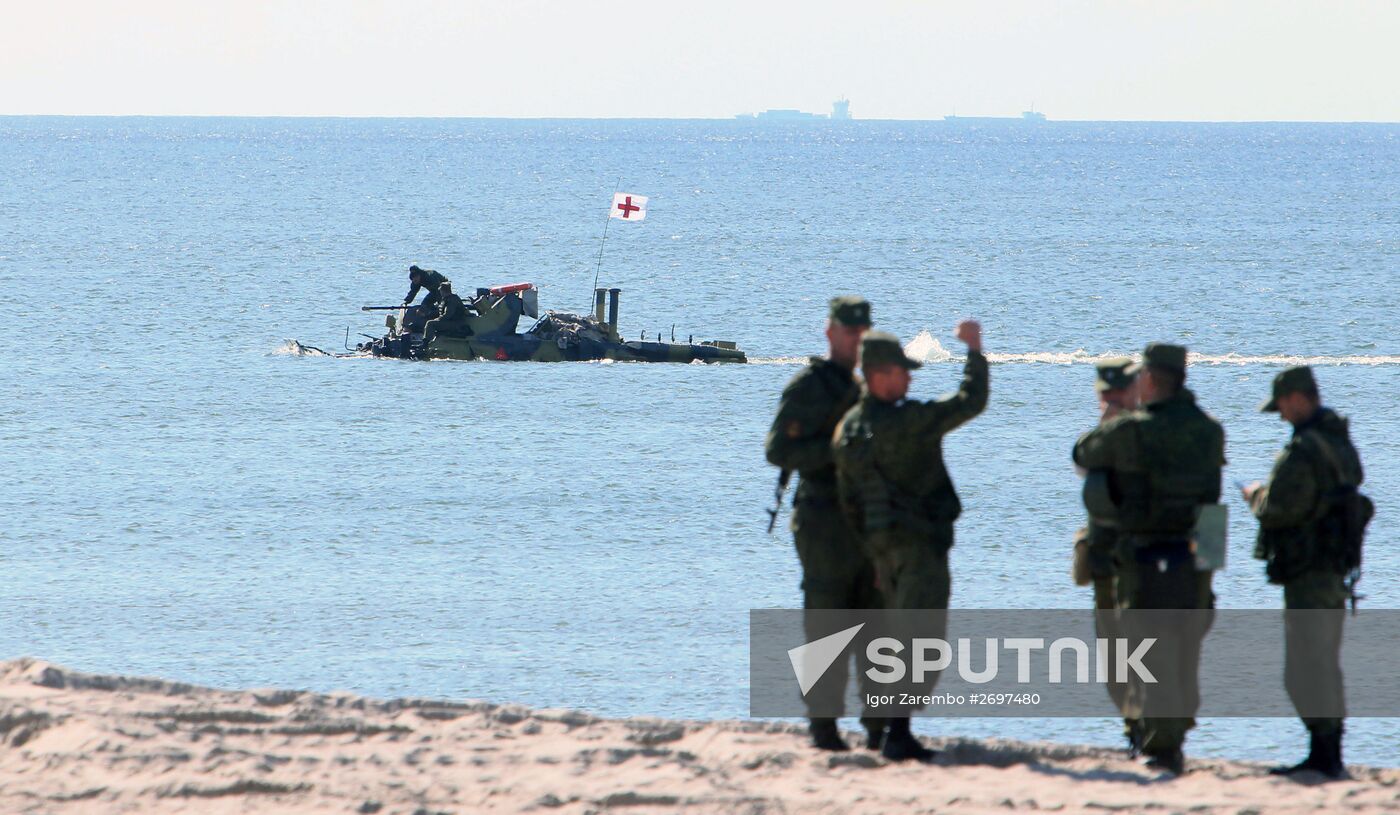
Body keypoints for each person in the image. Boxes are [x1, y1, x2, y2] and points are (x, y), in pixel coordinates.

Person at [833, 321, 988, 762]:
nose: (910, 377)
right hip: (919, 548)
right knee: (922, 643)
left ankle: (882, 728)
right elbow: (970, 402)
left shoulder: (847, 429)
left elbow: (849, 503)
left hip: (880, 552)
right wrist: (975, 352)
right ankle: (897, 733)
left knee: (887, 643)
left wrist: (872, 555)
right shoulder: (910, 422)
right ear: (879, 374)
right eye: (902, 370)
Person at [1072, 343, 1223, 776]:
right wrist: (1209, 572)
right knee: (1183, 649)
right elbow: (1212, 502)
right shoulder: (1209, 430)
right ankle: (1168, 738)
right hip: (1194, 556)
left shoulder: (1134, 430)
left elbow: (1082, 454)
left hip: (1144, 556)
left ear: (1152, 381)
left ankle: (1159, 745)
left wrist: (1112, 423)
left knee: (1145, 653)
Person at [763, 296, 883, 753]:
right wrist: (834, 453)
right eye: (848, 333)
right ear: (830, 333)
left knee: (879, 627)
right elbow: (777, 450)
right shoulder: (809, 388)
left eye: (862, 334)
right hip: (823, 524)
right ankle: (824, 728)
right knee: (828, 626)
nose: (855, 341)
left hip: (870, 524)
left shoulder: (873, 387)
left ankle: (879, 730)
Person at [1243, 366, 1365, 779]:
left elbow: (1276, 508)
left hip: (1310, 572)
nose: (1280, 414)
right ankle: (1328, 752)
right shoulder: (1339, 442)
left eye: (1281, 405)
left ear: (1297, 398)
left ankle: (1324, 755)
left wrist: (1254, 495)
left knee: (1303, 667)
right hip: (1335, 569)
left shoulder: (1304, 450)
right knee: (1323, 663)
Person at [1074, 357, 1136, 750]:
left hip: (1150, 561)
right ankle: (1135, 731)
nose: (1111, 400)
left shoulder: (1155, 430)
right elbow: (1081, 459)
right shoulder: (1106, 435)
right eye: (1105, 394)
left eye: (1118, 393)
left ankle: (1159, 738)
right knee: (1115, 660)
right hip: (1107, 562)